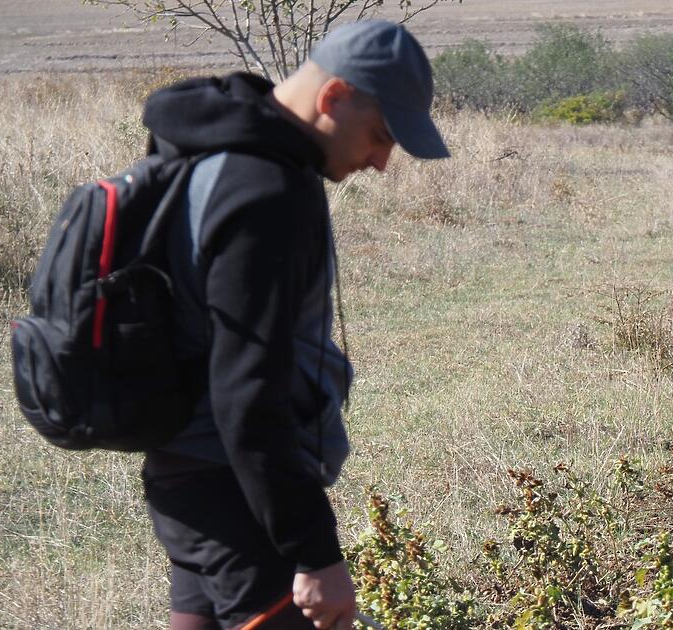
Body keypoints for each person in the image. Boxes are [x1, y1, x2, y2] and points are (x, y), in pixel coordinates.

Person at [139, 21, 448, 630]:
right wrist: (315, 550)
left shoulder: (211, 153)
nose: (383, 162)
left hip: (187, 476)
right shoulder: (268, 189)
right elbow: (249, 393)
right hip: (240, 493)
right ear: (333, 98)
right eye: (382, 135)